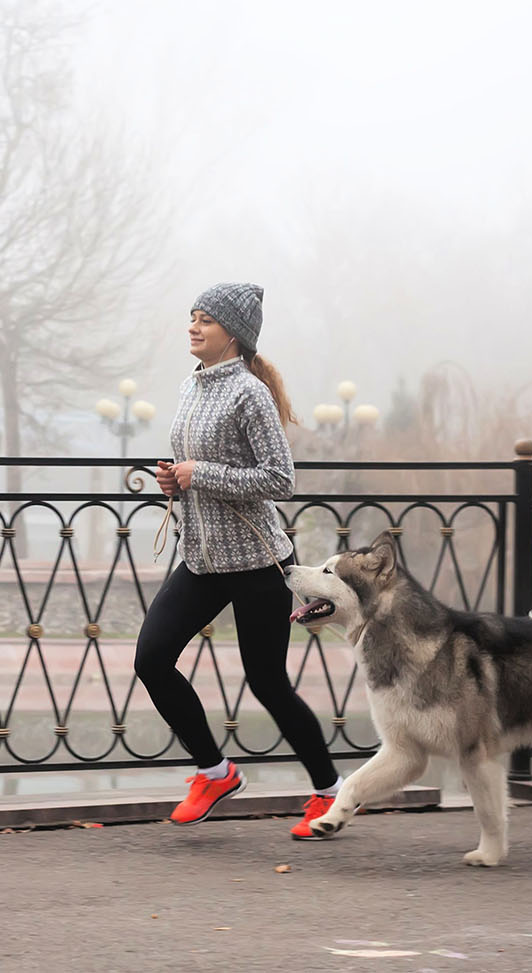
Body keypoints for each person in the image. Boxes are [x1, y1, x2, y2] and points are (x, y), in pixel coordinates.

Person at [136, 282, 342, 839]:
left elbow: (280, 480)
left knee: (267, 682)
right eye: (192, 317)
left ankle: (329, 793)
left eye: (205, 319)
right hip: (201, 558)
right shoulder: (190, 386)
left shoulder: (249, 394)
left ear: (234, 333)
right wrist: (173, 480)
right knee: (152, 659)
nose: (193, 326)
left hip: (257, 563)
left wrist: (199, 474)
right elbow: (197, 463)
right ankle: (214, 771)